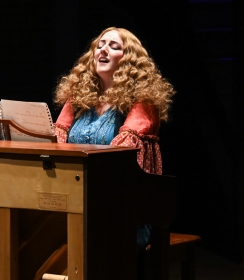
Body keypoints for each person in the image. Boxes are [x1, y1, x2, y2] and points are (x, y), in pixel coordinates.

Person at [53, 27, 175, 256]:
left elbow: (122, 156)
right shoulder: (78, 97)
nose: (103, 50)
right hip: (80, 198)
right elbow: (56, 139)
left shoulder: (143, 101)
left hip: (124, 206)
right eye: (100, 45)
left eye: (114, 46)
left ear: (129, 60)